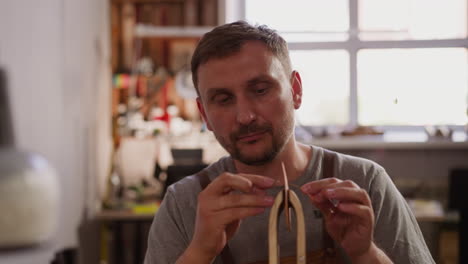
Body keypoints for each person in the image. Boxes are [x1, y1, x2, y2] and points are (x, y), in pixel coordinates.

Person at [144, 21, 435, 264]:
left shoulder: (364, 184)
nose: (245, 116)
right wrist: (200, 252)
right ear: (204, 113)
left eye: (260, 90)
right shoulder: (183, 205)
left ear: (295, 90)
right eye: (223, 99)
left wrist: (365, 253)